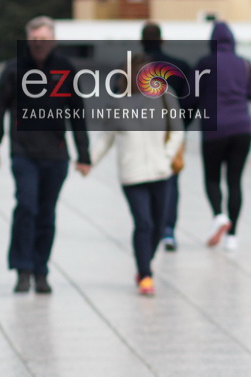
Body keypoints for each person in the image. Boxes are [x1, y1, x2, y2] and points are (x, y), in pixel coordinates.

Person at [0, 16, 91, 294]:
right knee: (26, 208)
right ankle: (23, 269)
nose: (39, 44)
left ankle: (41, 270)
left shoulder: (65, 69)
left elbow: (77, 113)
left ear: (53, 41)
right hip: (24, 153)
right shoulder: (14, 69)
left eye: (44, 39)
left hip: (56, 155)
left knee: (46, 214)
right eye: (34, 40)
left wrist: (84, 154)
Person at [87, 56, 184, 296]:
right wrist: (88, 161)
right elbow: (106, 138)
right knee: (144, 223)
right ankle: (146, 274)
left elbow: (177, 129)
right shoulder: (117, 103)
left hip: (160, 172)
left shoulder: (164, 95)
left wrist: (166, 156)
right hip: (132, 174)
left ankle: (144, 263)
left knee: (158, 226)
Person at [194, 21, 251, 252]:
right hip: (242, 129)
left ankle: (219, 216)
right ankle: (232, 237)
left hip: (214, 130)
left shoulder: (205, 63)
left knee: (212, 178)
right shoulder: (245, 64)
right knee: (234, 181)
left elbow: (191, 97)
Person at [140, 21, 192, 252]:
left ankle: (149, 224)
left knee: (144, 178)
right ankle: (168, 229)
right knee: (171, 178)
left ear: (141, 41)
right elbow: (191, 100)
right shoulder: (180, 66)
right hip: (171, 130)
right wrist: (182, 124)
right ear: (162, 40)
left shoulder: (133, 68)